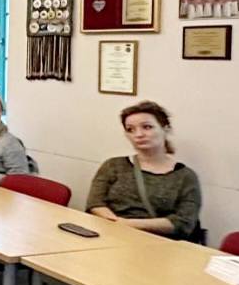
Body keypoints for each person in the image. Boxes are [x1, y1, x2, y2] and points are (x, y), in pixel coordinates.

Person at [86, 100, 203, 237]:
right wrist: (116, 224)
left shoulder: (185, 176)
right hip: (111, 235)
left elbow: (184, 222)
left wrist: (127, 224)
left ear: (165, 129)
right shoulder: (112, 165)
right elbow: (95, 203)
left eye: (147, 127)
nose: (138, 134)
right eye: (130, 129)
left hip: (159, 243)